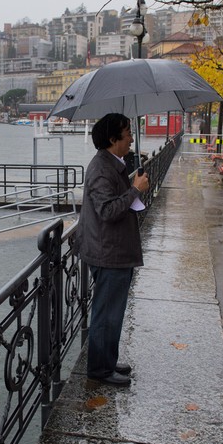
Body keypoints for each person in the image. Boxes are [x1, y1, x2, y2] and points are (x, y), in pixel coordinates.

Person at [78, 113, 149, 387]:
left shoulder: (113, 164)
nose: (132, 137)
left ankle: (107, 361)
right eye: (128, 132)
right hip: (108, 253)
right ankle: (99, 370)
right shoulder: (100, 169)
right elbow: (107, 211)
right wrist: (134, 190)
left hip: (114, 250)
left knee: (113, 313)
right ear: (112, 138)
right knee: (106, 314)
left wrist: (136, 189)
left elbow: (117, 201)